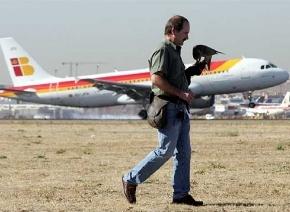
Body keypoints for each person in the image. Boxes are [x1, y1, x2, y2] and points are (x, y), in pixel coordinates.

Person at [122, 15, 203, 206]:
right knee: (165, 151)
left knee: (183, 153)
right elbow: (157, 79)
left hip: (179, 109)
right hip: (169, 107)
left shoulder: (174, 51)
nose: (187, 37)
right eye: (185, 33)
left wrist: (190, 72)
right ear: (173, 30)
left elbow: (174, 77)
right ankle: (131, 178)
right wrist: (182, 94)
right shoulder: (163, 50)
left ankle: (181, 195)